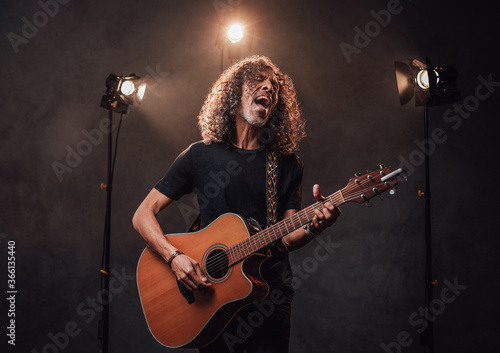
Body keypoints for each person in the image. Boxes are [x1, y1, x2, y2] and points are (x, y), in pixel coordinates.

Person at [132, 55, 341, 353]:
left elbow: (287, 237)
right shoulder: (199, 155)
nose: (269, 87)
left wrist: (314, 227)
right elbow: (142, 215)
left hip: (269, 295)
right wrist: (174, 257)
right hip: (212, 296)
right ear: (234, 91)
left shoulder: (287, 164)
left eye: (275, 87)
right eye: (259, 80)